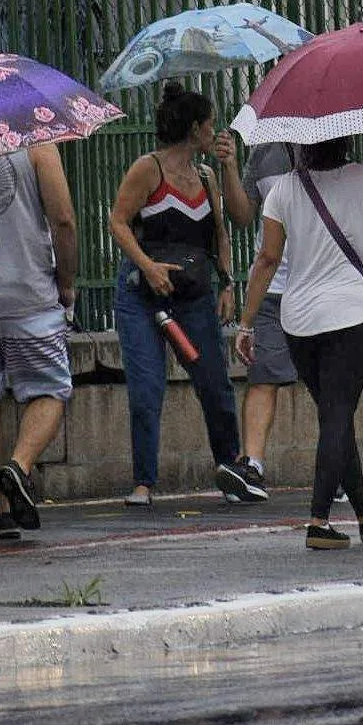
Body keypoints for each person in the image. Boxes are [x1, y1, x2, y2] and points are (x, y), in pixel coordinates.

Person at [235, 137, 363, 549]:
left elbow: (267, 259)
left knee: (335, 416)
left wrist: (246, 324)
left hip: (298, 320)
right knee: (336, 415)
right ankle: (318, 520)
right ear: (348, 139)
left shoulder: (284, 189)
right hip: (351, 315)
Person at [108, 81, 250, 506]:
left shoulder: (207, 175)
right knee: (147, 386)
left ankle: (229, 467)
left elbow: (228, 229)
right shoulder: (147, 169)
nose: (214, 132)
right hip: (143, 295)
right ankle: (144, 482)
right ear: (193, 129)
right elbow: (118, 222)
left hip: (192, 293)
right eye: (209, 125)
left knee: (214, 383)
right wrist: (147, 267)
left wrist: (227, 283)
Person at [0, 144, 79, 541]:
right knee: (49, 390)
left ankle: (2, 510)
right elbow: (63, 220)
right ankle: (20, 465)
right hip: (29, 293)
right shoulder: (37, 143)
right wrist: (66, 282)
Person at [211, 132, 297, 504]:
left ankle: (341, 467)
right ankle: (253, 466)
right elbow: (243, 214)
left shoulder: (333, 143)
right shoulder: (266, 150)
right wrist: (229, 166)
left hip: (320, 287)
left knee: (330, 386)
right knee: (262, 376)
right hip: (272, 288)